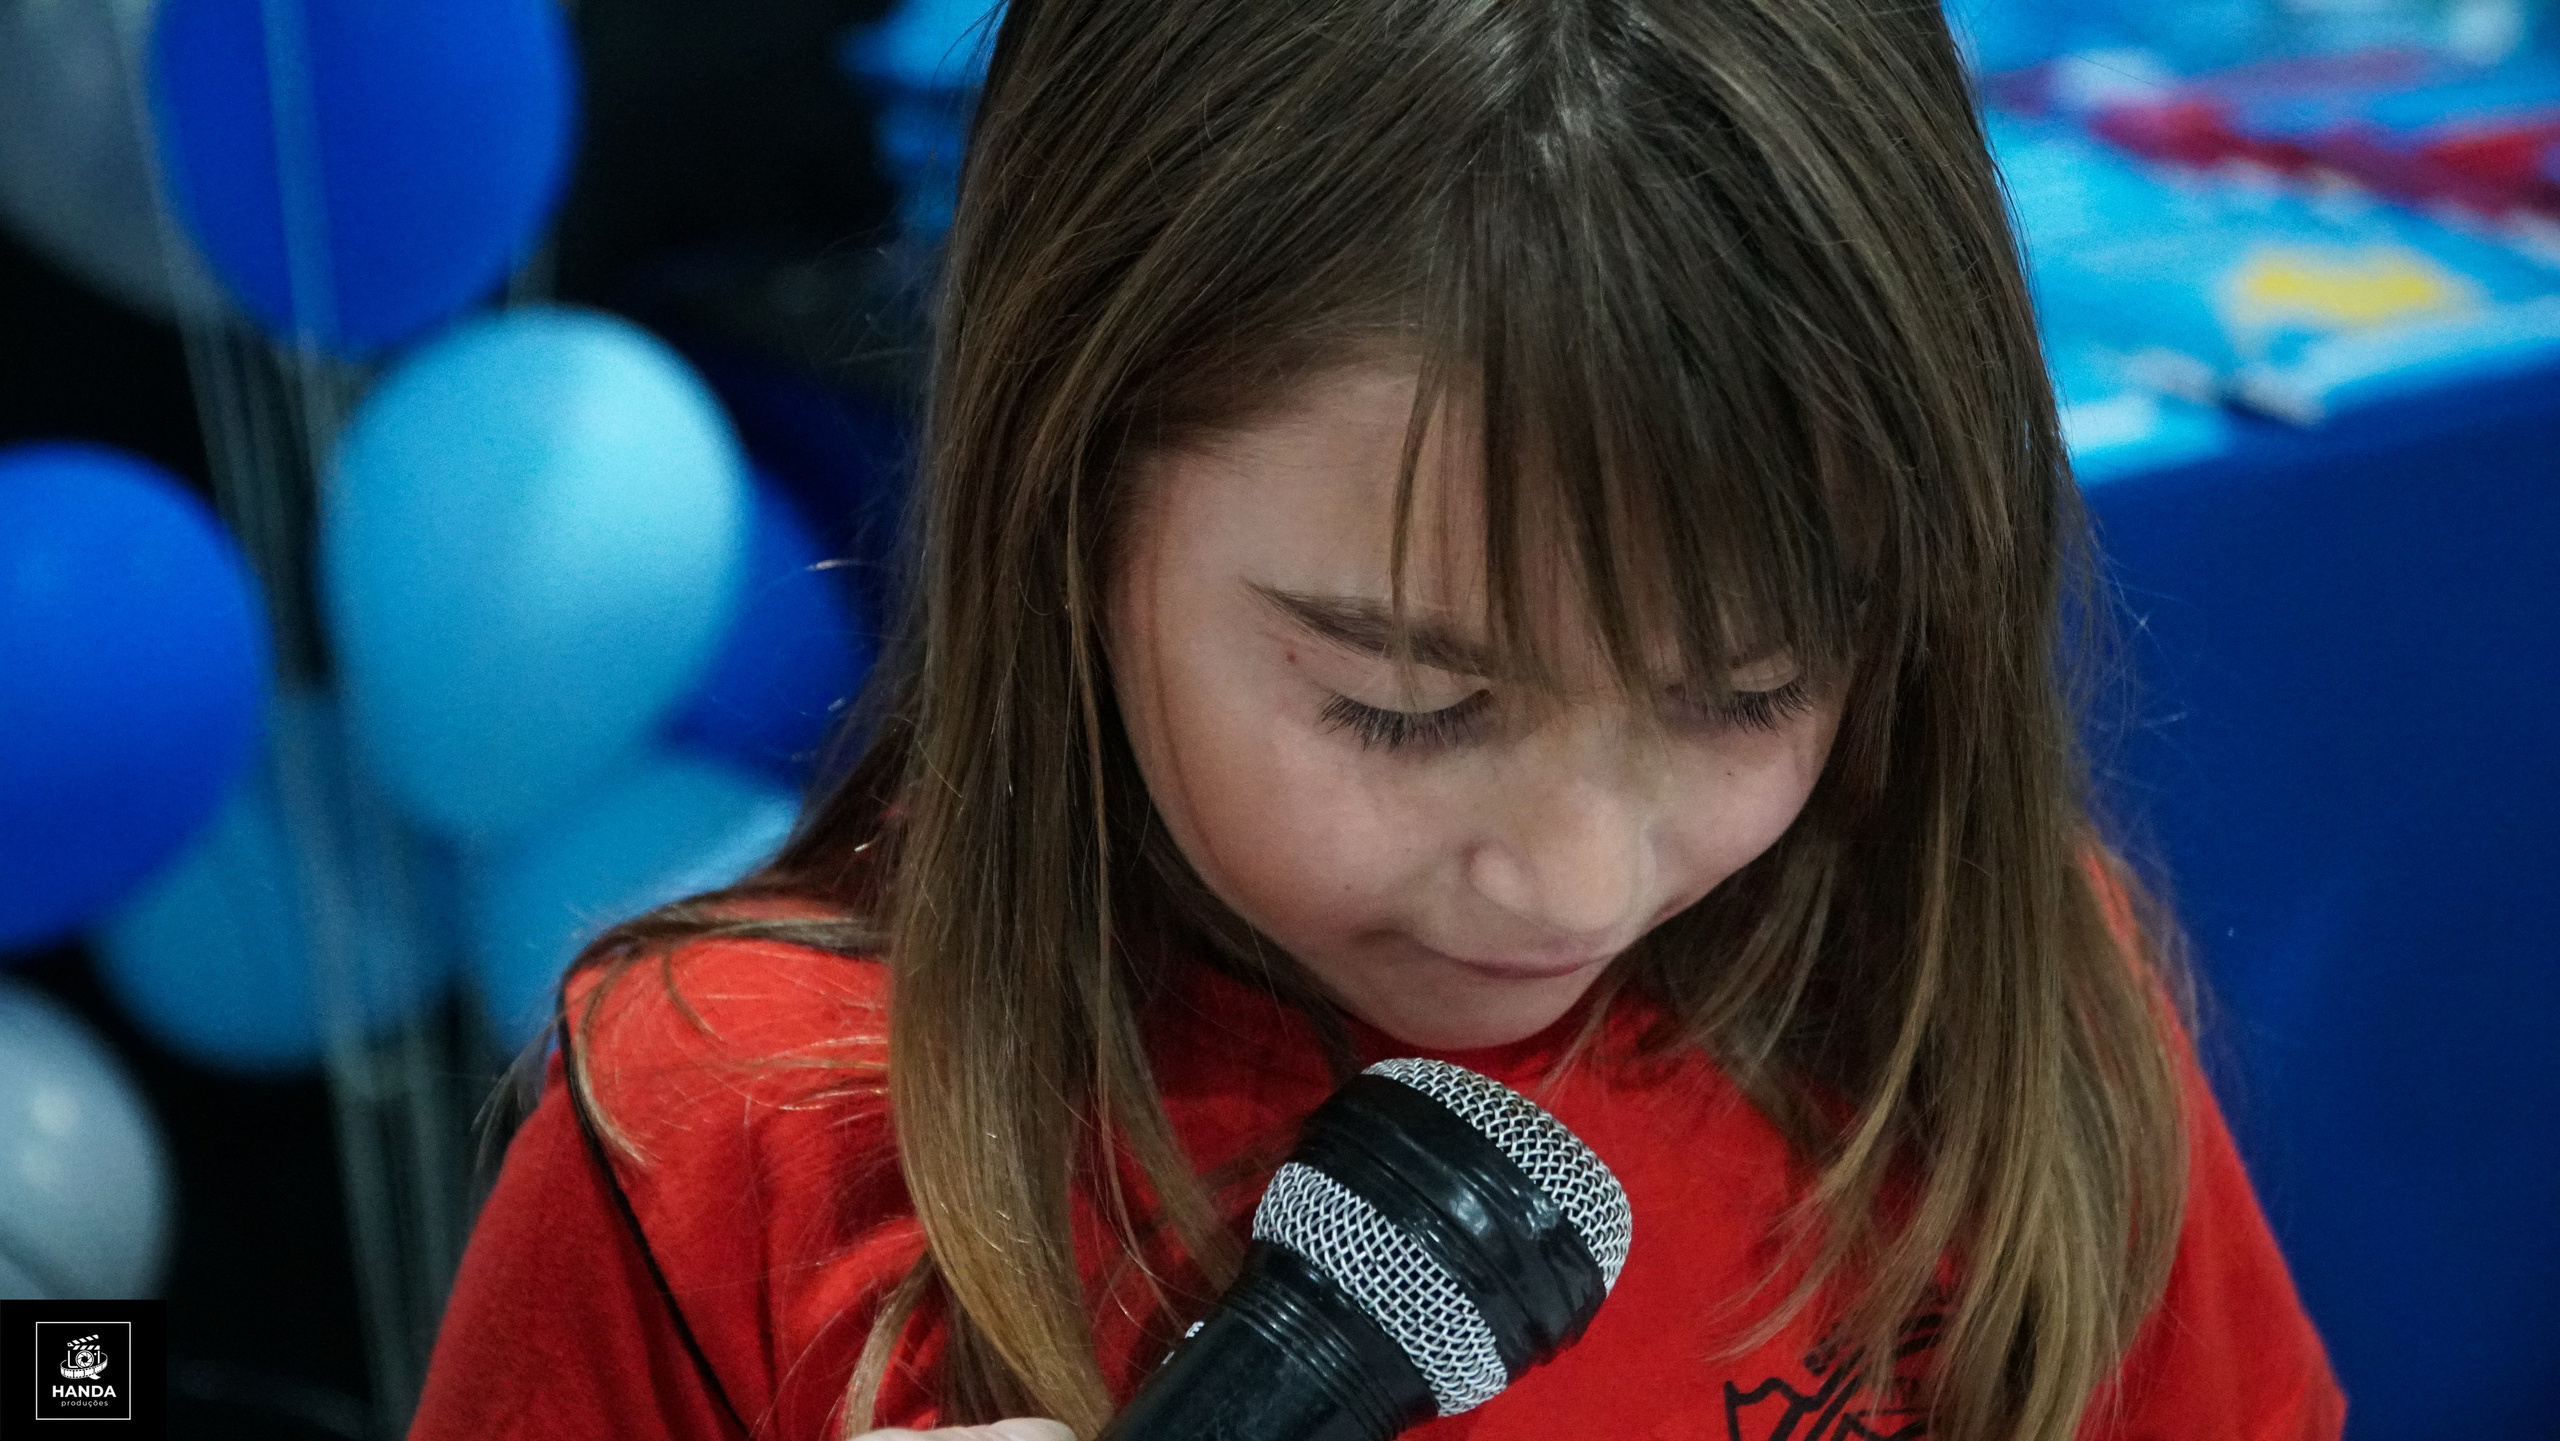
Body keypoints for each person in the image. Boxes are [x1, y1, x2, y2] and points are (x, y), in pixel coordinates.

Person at [409, 0, 2348, 1437]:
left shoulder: (1971, 998)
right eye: (1402, 706)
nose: (1573, 876)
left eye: (1748, 692)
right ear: (1068, 507)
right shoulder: (725, 1143)